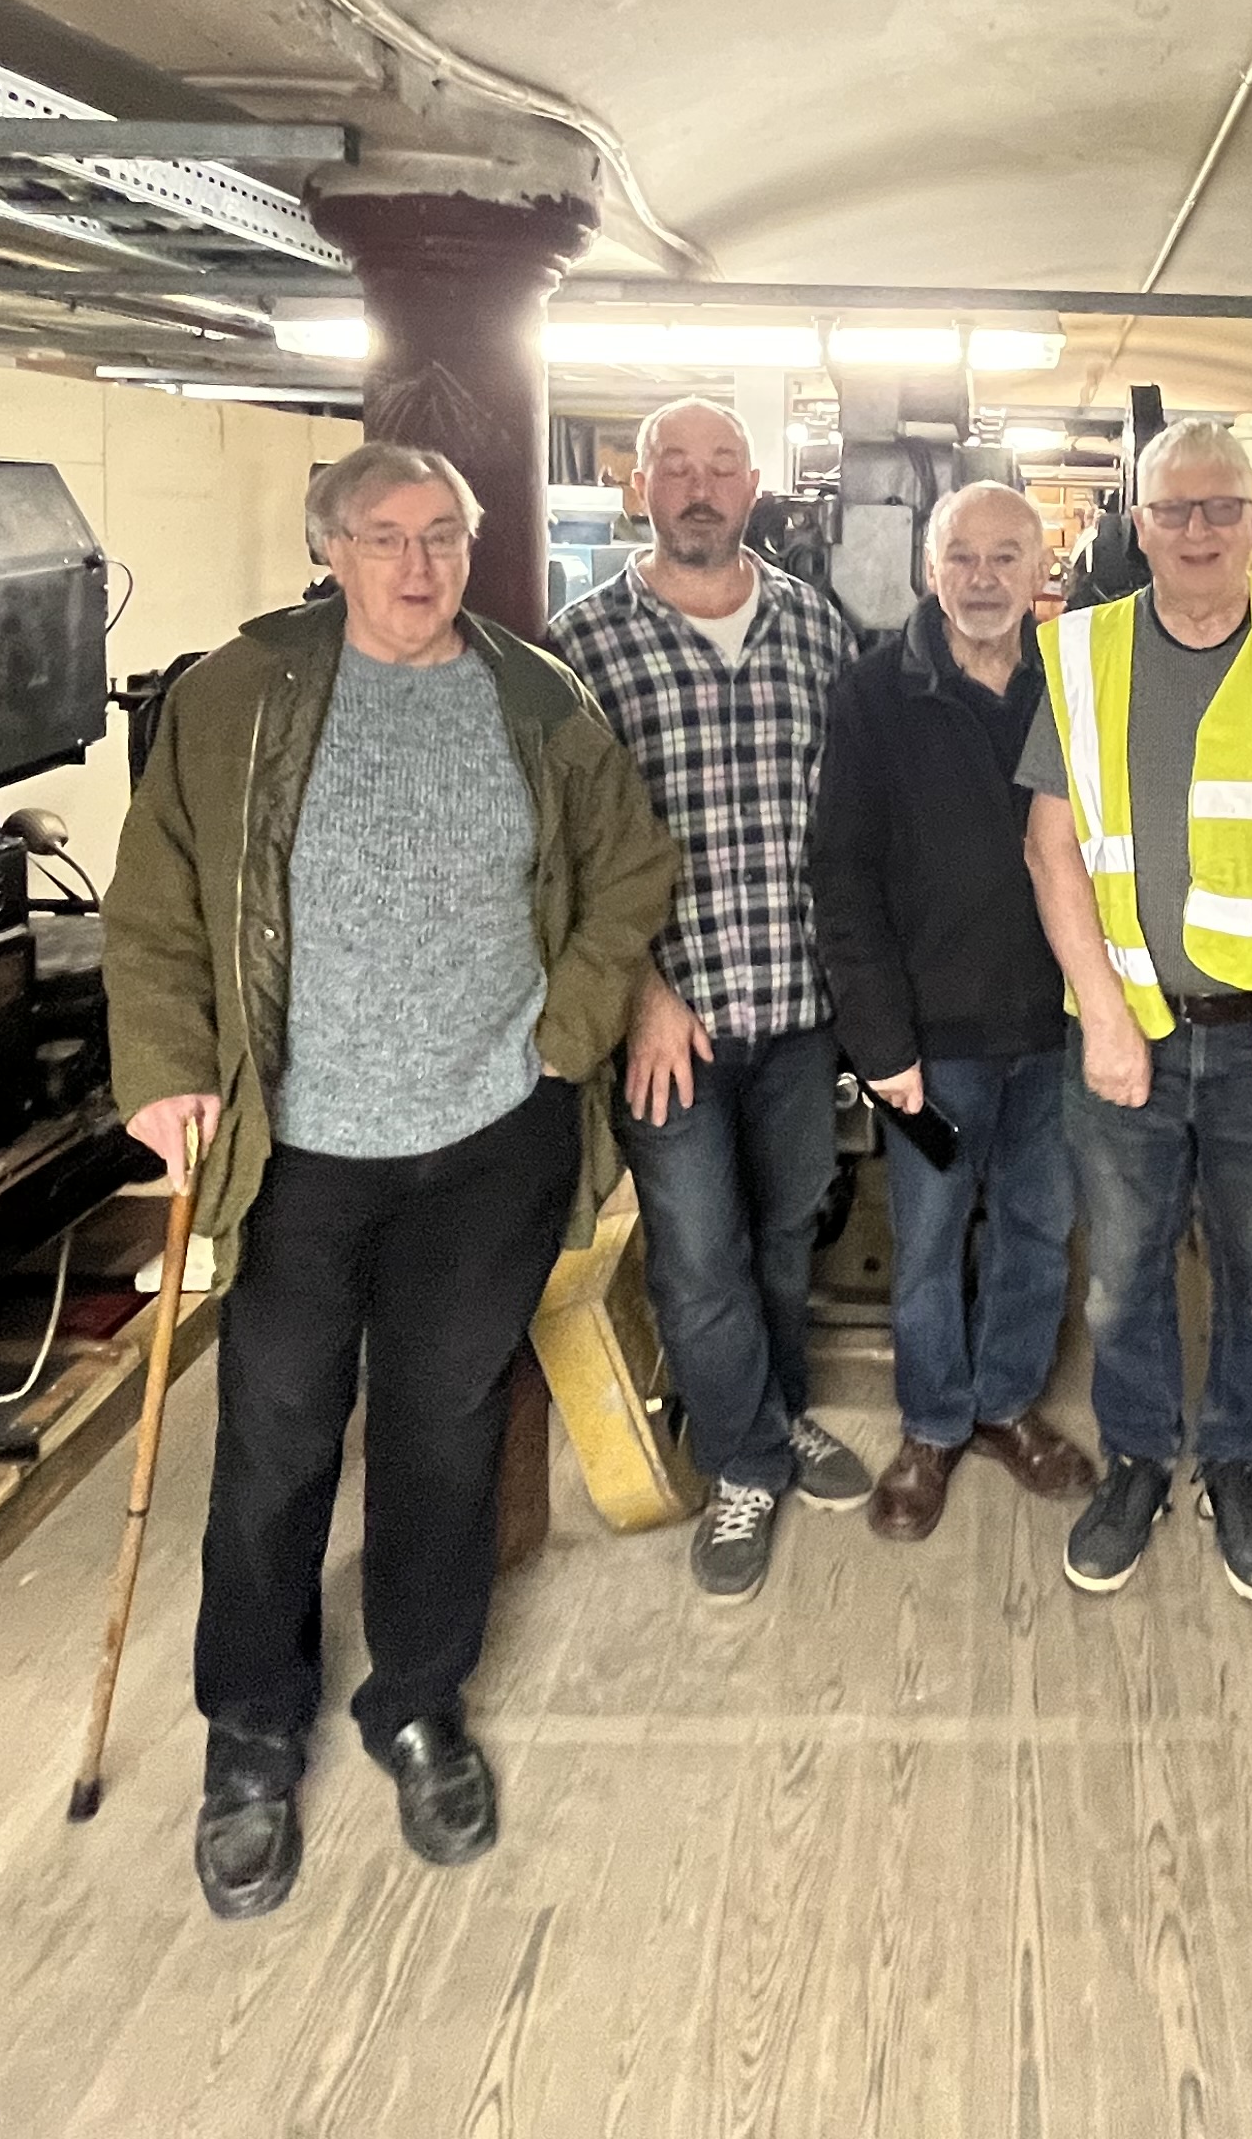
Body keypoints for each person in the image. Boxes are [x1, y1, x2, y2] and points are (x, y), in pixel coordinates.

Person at [105, 443, 676, 1920]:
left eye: (442, 536)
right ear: (331, 549)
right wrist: (169, 1063)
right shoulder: (238, 697)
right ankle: (249, 1731)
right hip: (299, 1147)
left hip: (488, 1140)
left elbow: (628, 869)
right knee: (279, 1438)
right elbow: (157, 895)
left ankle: (419, 1703)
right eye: (384, 537)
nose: (418, 565)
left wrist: (567, 1035)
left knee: (443, 1434)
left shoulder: (538, 700)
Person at [1019, 418, 1252, 1601]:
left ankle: (1233, 1461)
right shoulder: (1079, 656)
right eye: (1173, 511)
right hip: (1129, 1034)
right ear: (1136, 528)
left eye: (1220, 509)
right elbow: (1052, 850)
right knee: (1123, 1277)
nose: (1197, 531)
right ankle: (1138, 1457)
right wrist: (1103, 1015)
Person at [548, 398, 867, 1603]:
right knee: (697, 1254)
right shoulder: (580, 648)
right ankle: (742, 1459)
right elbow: (562, 853)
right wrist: (638, 990)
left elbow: (843, 820)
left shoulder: (814, 629)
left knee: (787, 1233)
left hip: (795, 1003)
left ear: (751, 488)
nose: (696, 485)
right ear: (640, 488)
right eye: (673, 466)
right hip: (668, 1018)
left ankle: (775, 1418)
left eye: (720, 466)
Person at [808, 481, 1098, 1539]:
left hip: (1058, 1035)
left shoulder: (1075, 689)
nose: (982, 578)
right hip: (930, 1048)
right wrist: (881, 1043)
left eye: (1005, 557)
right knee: (928, 1245)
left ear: (1039, 571)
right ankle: (931, 1426)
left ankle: (1006, 1407)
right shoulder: (874, 694)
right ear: (931, 570)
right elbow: (840, 877)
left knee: (1036, 1232)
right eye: (962, 558)